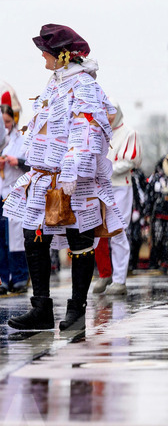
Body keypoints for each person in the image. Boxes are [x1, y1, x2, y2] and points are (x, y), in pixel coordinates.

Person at [3, 25, 122, 333]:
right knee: (33, 235)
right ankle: (41, 308)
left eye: (46, 50)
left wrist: (72, 162)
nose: (42, 55)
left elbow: (88, 125)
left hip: (73, 177)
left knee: (79, 238)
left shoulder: (82, 84)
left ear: (62, 55)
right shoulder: (54, 82)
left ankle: (77, 310)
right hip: (44, 176)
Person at [92, 100, 141, 296]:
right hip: (100, 187)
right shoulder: (99, 133)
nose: (109, 115)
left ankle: (119, 279)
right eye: (105, 111)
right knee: (99, 233)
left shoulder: (129, 133)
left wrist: (105, 170)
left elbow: (131, 160)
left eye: (111, 111)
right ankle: (105, 273)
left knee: (118, 232)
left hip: (120, 187)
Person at [0, 90, 30, 294]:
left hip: (15, 192)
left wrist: (17, 162)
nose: (5, 125)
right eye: (2, 121)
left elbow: (30, 164)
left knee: (16, 236)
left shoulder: (21, 139)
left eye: (8, 121)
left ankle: (20, 275)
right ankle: (1, 278)